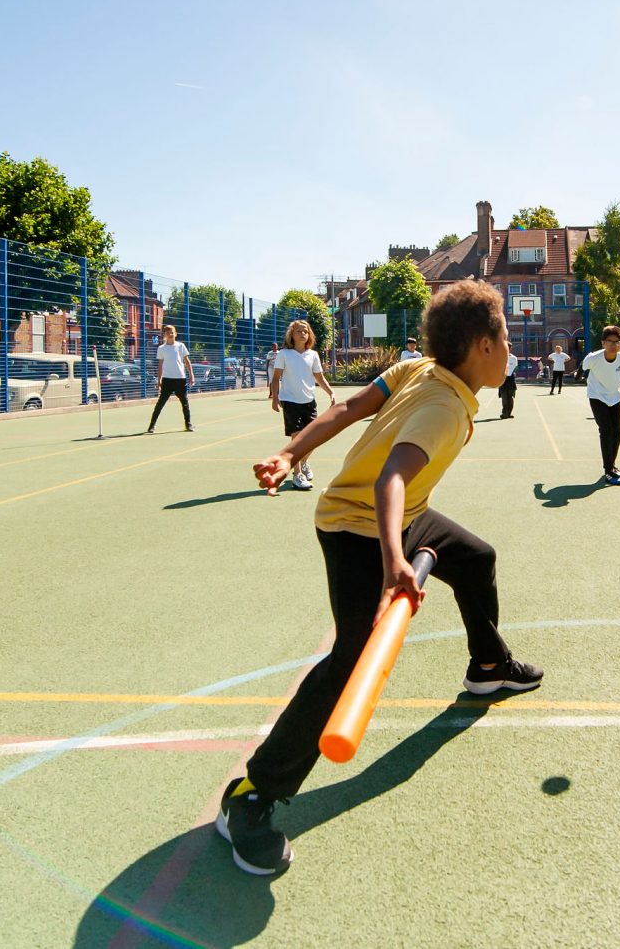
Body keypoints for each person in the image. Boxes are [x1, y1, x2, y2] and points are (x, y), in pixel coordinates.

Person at [219, 280, 544, 875]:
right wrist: (396, 562)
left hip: (402, 519)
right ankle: (251, 796)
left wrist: (292, 454)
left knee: (476, 559)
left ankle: (488, 666)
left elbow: (344, 408)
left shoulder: (418, 368)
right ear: (479, 346)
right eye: (503, 336)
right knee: (349, 660)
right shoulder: (443, 406)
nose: (510, 345)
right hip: (358, 530)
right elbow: (389, 478)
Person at [271, 320, 337, 489]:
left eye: (305, 331)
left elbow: (319, 378)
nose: (303, 334)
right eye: (299, 331)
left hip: (309, 401)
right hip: (290, 401)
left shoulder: (313, 355)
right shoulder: (284, 354)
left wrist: (330, 392)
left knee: (313, 439)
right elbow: (276, 377)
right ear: (291, 335)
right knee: (297, 438)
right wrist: (275, 398)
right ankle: (297, 475)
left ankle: (304, 462)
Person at [581, 326, 620, 486]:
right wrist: (579, 375)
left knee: (618, 434)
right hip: (596, 396)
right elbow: (583, 367)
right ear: (603, 343)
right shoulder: (593, 358)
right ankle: (608, 470)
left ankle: (611, 466)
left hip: (613, 398)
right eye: (610, 341)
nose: (613, 345)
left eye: (617, 342)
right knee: (606, 431)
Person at [147, 325, 194, 433]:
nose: (170, 334)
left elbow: (187, 361)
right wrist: (159, 380)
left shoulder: (181, 346)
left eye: (172, 332)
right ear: (165, 335)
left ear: (175, 333)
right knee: (160, 403)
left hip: (180, 379)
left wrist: (191, 375)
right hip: (167, 380)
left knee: (185, 403)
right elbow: (160, 365)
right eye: (168, 332)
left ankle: (188, 424)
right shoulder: (162, 348)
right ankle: (152, 425)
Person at [499, 349, 518, 418]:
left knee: (510, 397)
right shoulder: (500, 357)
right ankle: (504, 413)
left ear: (509, 349)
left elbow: (515, 368)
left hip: (511, 379)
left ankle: (509, 413)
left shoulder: (514, 358)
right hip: (502, 378)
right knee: (504, 397)